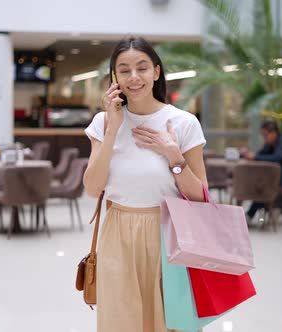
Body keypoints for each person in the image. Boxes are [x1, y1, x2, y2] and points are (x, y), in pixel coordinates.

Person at [83, 36, 207, 332]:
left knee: (171, 322)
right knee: (121, 322)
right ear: (114, 78)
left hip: (170, 232)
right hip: (118, 234)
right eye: (124, 70)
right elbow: (92, 188)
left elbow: (201, 195)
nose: (133, 77)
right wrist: (113, 129)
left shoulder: (183, 123)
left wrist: (173, 155)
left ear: (156, 71)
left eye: (142, 67)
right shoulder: (103, 122)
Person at [240, 120, 282, 220]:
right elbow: (261, 154)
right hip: (279, 176)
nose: (264, 138)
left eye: (265, 135)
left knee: (265, 188)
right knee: (260, 186)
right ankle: (254, 214)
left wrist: (255, 156)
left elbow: (277, 157)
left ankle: (251, 215)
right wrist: (249, 155)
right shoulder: (270, 143)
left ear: (273, 133)